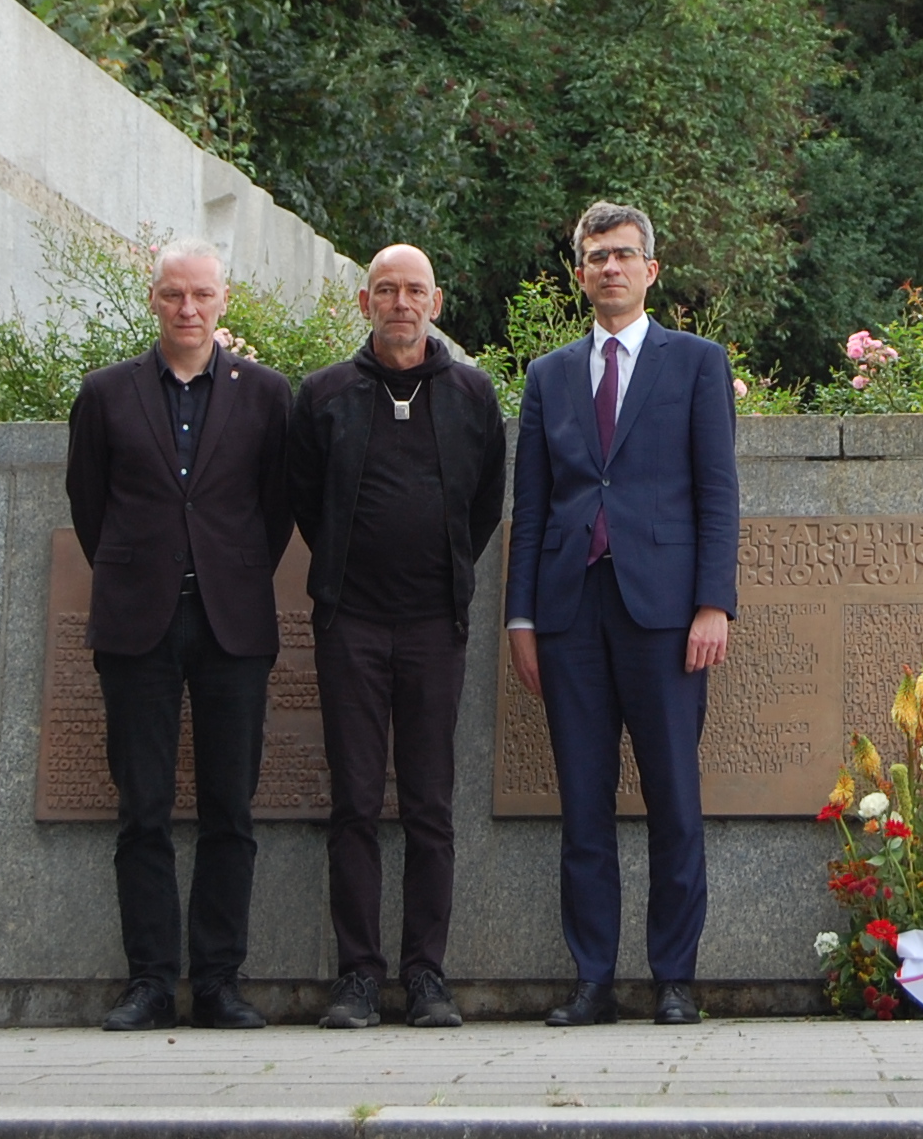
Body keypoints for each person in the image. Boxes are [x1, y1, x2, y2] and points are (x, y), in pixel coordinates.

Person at [504, 200, 738, 1027]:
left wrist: (714, 603)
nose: (611, 266)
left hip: (667, 615)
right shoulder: (548, 376)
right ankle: (592, 980)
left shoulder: (697, 363)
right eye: (597, 255)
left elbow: (717, 492)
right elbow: (531, 506)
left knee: (674, 797)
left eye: (624, 254)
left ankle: (674, 978)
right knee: (583, 804)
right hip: (570, 613)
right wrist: (520, 618)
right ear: (579, 274)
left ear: (651, 270)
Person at [63, 240, 293, 1033]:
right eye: (172, 295)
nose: (187, 309)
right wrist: (139, 572)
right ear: (153, 300)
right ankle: (151, 982)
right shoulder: (106, 393)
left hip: (233, 624)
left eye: (200, 295)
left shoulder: (267, 394)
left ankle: (220, 983)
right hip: (137, 625)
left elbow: (277, 507)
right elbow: (89, 503)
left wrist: (229, 571)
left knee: (231, 808)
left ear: (224, 300)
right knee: (143, 809)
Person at [284, 244, 504, 1031]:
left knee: (430, 803)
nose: (400, 303)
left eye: (414, 290)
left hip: (434, 626)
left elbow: (485, 503)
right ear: (364, 303)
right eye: (385, 290)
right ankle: (357, 977)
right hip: (351, 624)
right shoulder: (324, 395)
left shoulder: (472, 394)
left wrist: (443, 568)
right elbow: (305, 499)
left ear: (435, 304)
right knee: (352, 802)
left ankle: (426, 975)